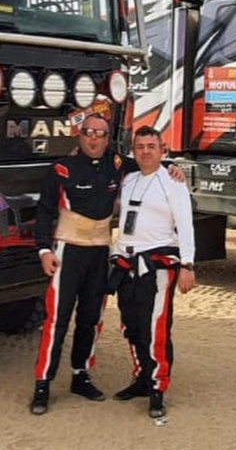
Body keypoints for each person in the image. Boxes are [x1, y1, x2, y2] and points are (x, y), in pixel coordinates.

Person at [29, 113, 125, 415]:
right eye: (88, 132)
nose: (94, 138)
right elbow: (44, 211)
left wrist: (171, 167)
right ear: (79, 135)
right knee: (57, 320)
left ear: (108, 139)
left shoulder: (118, 165)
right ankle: (43, 383)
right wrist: (44, 250)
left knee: (91, 319)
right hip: (67, 253)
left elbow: (150, 165)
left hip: (99, 253)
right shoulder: (61, 169)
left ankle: (80, 375)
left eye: (101, 133)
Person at [110, 125, 196, 419]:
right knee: (131, 324)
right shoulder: (128, 180)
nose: (146, 151)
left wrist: (187, 264)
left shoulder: (172, 183)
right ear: (134, 152)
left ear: (163, 150)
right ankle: (142, 378)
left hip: (158, 263)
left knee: (155, 327)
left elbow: (185, 224)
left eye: (151, 146)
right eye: (140, 147)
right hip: (126, 263)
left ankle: (158, 387)